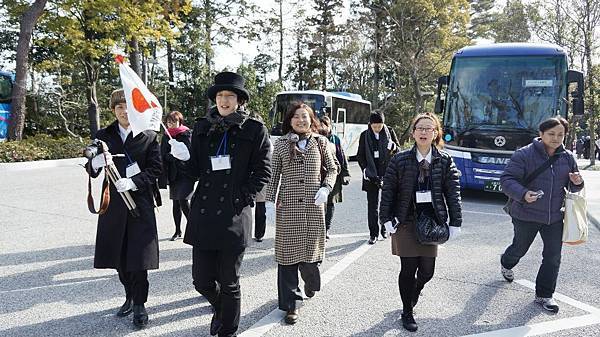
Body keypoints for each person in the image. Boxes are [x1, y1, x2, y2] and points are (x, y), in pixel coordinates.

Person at [169, 71, 271, 337]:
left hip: (234, 214)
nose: (224, 100)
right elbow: (193, 171)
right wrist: (181, 158)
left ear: (239, 99)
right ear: (215, 98)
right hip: (204, 213)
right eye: (219, 95)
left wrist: (243, 196)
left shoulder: (254, 129)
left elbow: (263, 172)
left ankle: (228, 329)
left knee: (229, 281)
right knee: (201, 281)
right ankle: (222, 309)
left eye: (229, 96)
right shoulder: (202, 126)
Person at [85, 89, 162, 329]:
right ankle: (129, 294)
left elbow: (156, 169)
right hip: (114, 205)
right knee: (118, 257)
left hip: (140, 204)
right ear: (113, 110)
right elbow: (92, 166)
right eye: (119, 107)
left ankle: (140, 304)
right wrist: (94, 164)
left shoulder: (149, 135)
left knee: (139, 259)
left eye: (128, 107)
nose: (124, 112)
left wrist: (134, 181)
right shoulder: (103, 135)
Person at [379, 112, 462, 332]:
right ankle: (407, 311)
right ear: (413, 132)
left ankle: (414, 292)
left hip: (431, 223)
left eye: (429, 128)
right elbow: (388, 191)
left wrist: (456, 222)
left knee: (427, 271)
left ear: (436, 133)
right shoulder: (399, 159)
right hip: (405, 221)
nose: (424, 132)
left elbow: (453, 193)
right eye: (420, 128)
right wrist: (385, 219)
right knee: (408, 268)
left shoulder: (444, 161)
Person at [500, 117, 584, 314]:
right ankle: (506, 262)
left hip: (554, 217)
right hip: (525, 214)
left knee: (553, 256)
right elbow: (507, 179)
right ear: (541, 134)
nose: (556, 138)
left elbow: (574, 184)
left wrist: (577, 181)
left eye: (560, 135)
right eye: (551, 134)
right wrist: (522, 194)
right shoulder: (524, 154)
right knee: (519, 248)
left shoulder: (567, 157)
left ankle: (544, 295)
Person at [265, 102, 338, 325]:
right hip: (288, 208)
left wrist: (326, 187)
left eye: (304, 116)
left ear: (311, 119)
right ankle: (291, 305)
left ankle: (310, 283)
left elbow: (334, 168)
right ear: (289, 120)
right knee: (287, 259)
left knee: (310, 260)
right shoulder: (280, 143)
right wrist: (268, 202)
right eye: (296, 117)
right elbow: (273, 174)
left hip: (314, 207)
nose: (300, 120)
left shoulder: (321, 142)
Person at [357, 111, 399, 244]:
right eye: (375, 126)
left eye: (380, 126)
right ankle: (373, 234)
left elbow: (398, 150)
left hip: (388, 173)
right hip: (371, 175)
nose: (377, 129)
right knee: (372, 206)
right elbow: (360, 155)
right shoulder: (364, 135)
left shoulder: (390, 131)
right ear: (370, 124)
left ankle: (384, 228)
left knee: (387, 204)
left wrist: (394, 147)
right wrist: (365, 170)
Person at [160, 111, 195, 241]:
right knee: (175, 202)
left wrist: (179, 153)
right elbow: (163, 153)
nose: (171, 124)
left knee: (183, 199)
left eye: (173, 121)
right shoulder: (166, 135)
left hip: (186, 173)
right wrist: (171, 156)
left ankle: (193, 227)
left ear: (180, 121)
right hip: (173, 173)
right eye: (169, 122)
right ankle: (177, 230)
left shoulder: (186, 133)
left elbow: (190, 152)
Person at [318, 116, 349, 239]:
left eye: (325, 124)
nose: (323, 127)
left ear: (330, 126)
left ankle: (326, 229)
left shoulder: (335, 139)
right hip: (319, 175)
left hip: (333, 175)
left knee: (330, 204)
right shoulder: (315, 138)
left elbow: (342, 157)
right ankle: (319, 229)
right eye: (321, 124)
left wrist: (346, 174)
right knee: (319, 203)